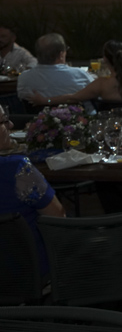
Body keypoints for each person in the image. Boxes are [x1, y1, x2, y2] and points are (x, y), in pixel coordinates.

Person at [0, 106, 66, 277]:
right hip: (30, 271)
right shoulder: (17, 168)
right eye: (4, 121)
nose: (10, 124)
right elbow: (58, 218)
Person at [28, 41, 122, 108]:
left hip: (111, 128)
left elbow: (72, 98)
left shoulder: (101, 84)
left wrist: (45, 101)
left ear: (105, 59)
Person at [17, 33, 94, 111]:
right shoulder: (80, 75)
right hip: (82, 117)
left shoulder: (23, 78)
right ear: (61, 55)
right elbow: (96, 94)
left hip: (38, 118)